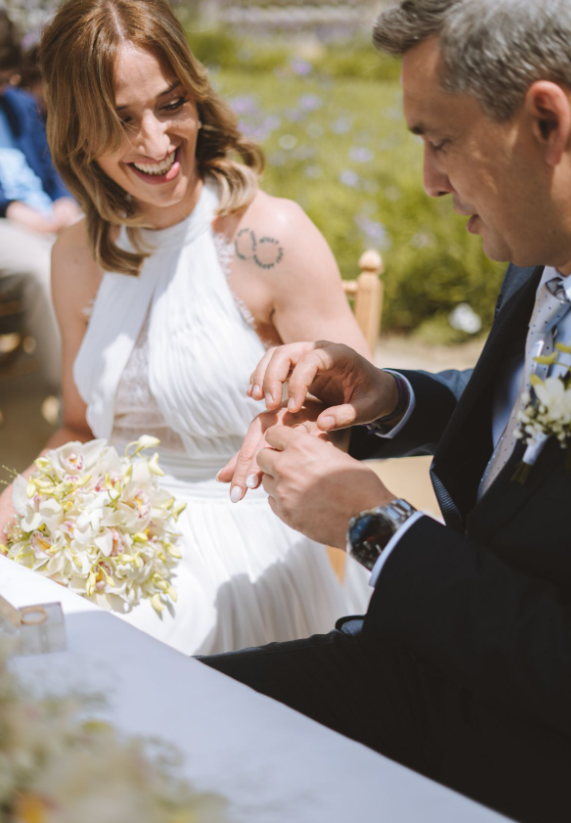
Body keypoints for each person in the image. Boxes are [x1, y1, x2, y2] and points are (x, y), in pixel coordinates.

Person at [204, 1, 571, 820]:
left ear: (546, 119)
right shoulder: (540, 252)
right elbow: (529, 432)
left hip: (531, 757)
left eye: (438, 140)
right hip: (431, 666)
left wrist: (376, 529)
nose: (428, 182)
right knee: (158, 712)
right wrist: (386, 394)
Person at [0, 0, 372, 656]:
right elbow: (82, 428)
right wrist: (15, 509)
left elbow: (356, 418)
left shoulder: (269, 236)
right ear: (78, 130)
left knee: (115, 658)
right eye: (120, 119)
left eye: (170, 104)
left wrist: (292, 433)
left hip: (245, 541)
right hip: (111, 535)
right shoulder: (78, 254)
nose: (156, 142)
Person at [0, 11, 81, 390]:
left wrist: (64, 199)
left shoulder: (16, 105)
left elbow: (53, 167)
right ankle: (71, 388)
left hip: (48, 216)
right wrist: (11, 209)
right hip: (11, 225)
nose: (4, 87)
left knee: (110, 241)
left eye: (6, 78)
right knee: (41, 265)